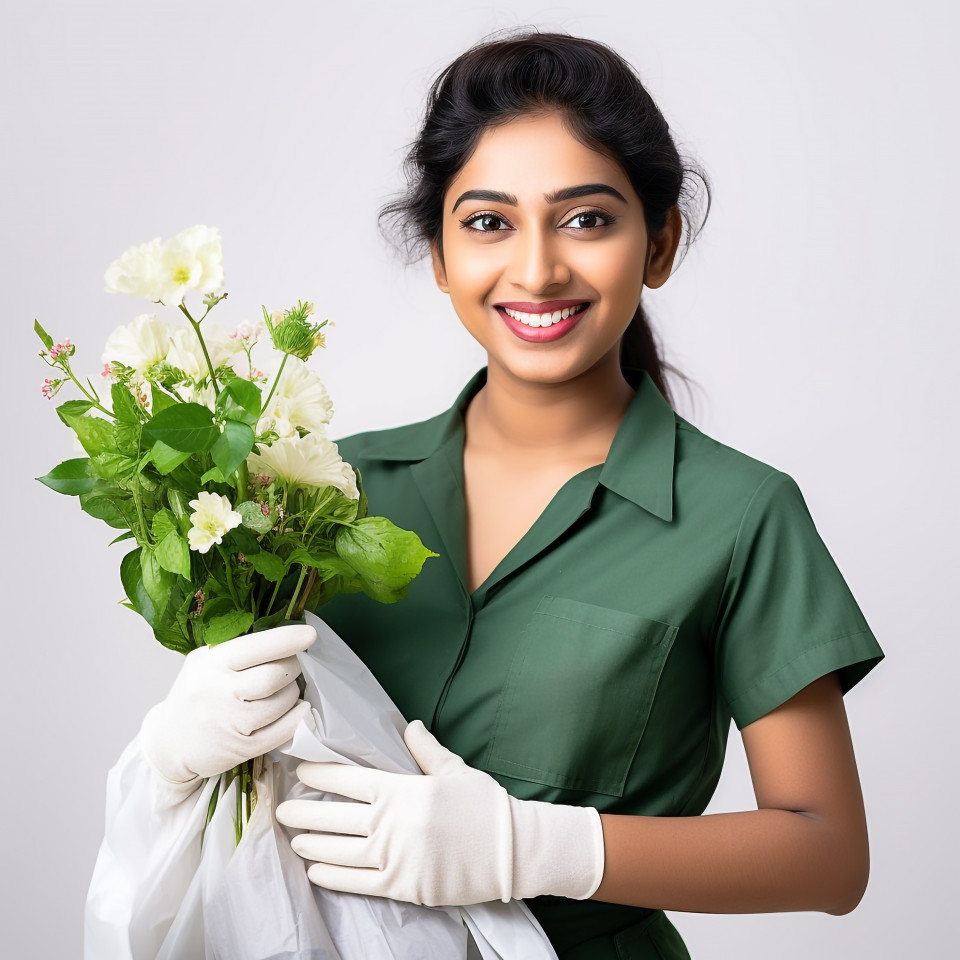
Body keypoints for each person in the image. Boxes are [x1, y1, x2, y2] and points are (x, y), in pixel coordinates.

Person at [137, 27, 885, 960]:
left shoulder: (741, 517)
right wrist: (172, 756)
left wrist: (537, 847)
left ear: (658, 245)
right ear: (442, 257)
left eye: (587, 219)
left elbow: (825, 856)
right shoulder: (323, 491)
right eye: (489, 222)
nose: (537, 269)